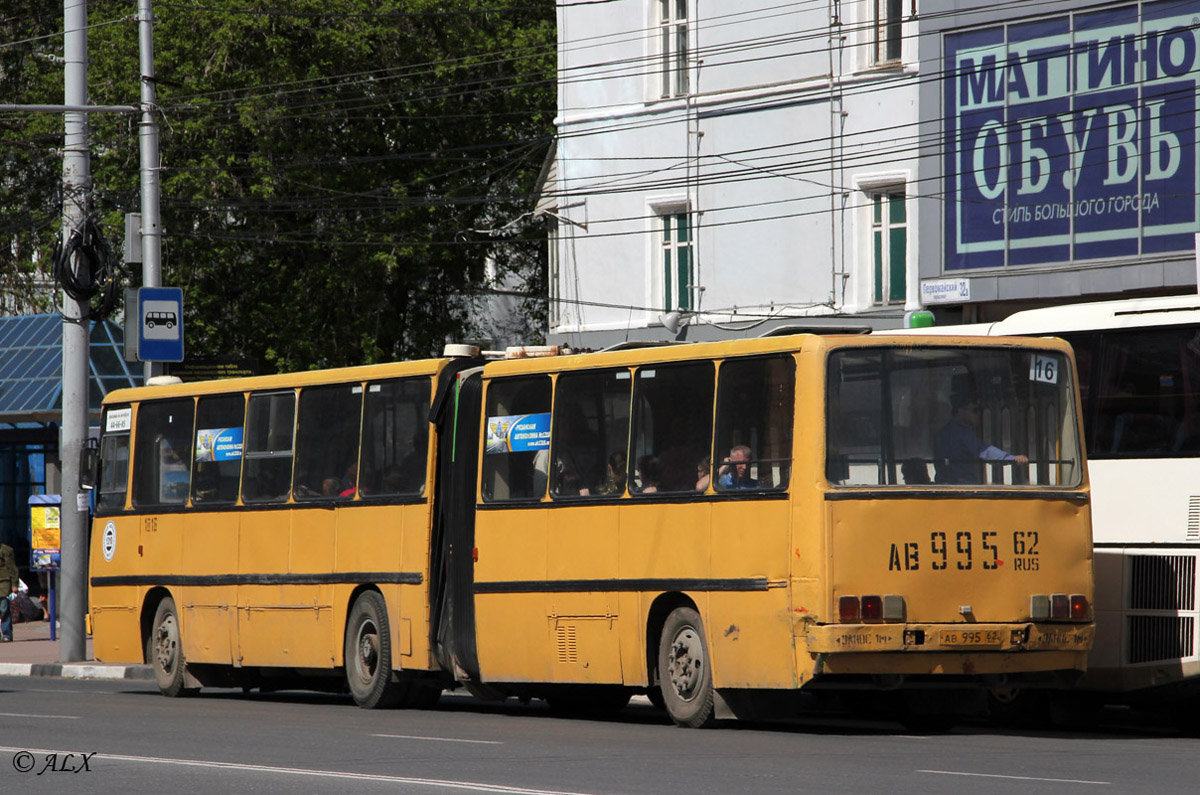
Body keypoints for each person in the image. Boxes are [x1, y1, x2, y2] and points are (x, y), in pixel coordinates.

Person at [935, 396, 1028, 484]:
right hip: (962, 485)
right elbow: (984, 450)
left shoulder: (944, 432)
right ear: (960, 411)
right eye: (975, 410)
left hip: (947, 485)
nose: (979, 414)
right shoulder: (960, 433)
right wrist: (1012, 458)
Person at [0, 542, 18, 641]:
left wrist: (15, 584)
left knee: (4, 610)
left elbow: (12, 568)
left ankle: (7, 634)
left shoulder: (6, 550)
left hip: (3, 584)